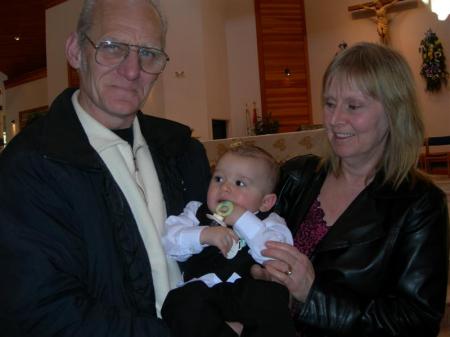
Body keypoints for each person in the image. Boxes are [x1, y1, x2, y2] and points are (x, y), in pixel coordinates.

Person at [0, 0, 211, 336]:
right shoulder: (29, 168)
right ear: (76, 51)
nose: (132, 70)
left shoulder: (184, 153)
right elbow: (41, 312)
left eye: (148, 53)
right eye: (112, 48)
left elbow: (212, 255)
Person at [251, 42, 449, 337]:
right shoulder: (297, 176)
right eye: (330, 104)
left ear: (394, 112)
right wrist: (250, 271)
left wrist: (312, 296)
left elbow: (415, 322)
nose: (334, 120)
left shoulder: (419, 204)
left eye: (353, 106)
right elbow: (241, 238)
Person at [161, 145, 295, 337]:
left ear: (266, 202)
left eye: (240, 183)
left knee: (272, 298)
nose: (224, 187)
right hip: (204, 290)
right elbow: (169, 240)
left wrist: (241, 219)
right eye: (218, 178)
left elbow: (276, 255)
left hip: (247, 289)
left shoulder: (270, 223)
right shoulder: (196, 212)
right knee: (177, 303)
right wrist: (204, 234)